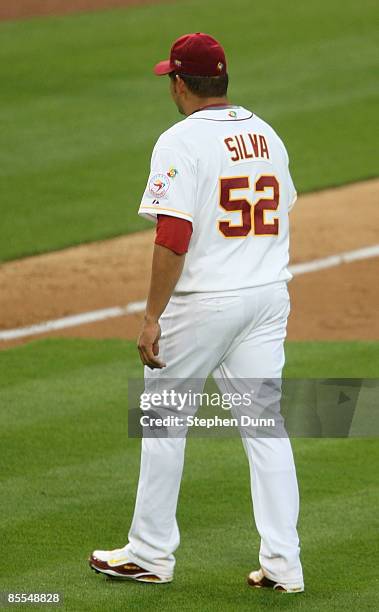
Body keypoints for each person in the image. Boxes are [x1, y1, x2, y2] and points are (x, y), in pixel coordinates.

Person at [89, 32, 304, 593]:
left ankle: (150, 554)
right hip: (266, 297)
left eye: (171, 79)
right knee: (266, 430)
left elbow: (174, 233)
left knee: (163, 424)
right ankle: (285, 566)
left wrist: (152, 315)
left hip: (204, 303)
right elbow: (284, 207)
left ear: (181, 82)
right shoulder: (266, 133)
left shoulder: (181, 140)